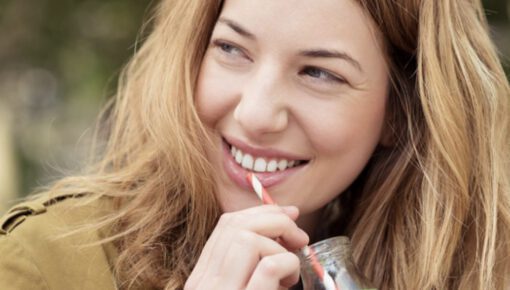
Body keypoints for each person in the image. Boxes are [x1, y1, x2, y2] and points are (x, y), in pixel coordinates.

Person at [1, 0, 509, 289]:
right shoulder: (42, 265)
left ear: (399, 113)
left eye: (318, 72)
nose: (254, 114)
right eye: (230, 48)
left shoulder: (476, 272)